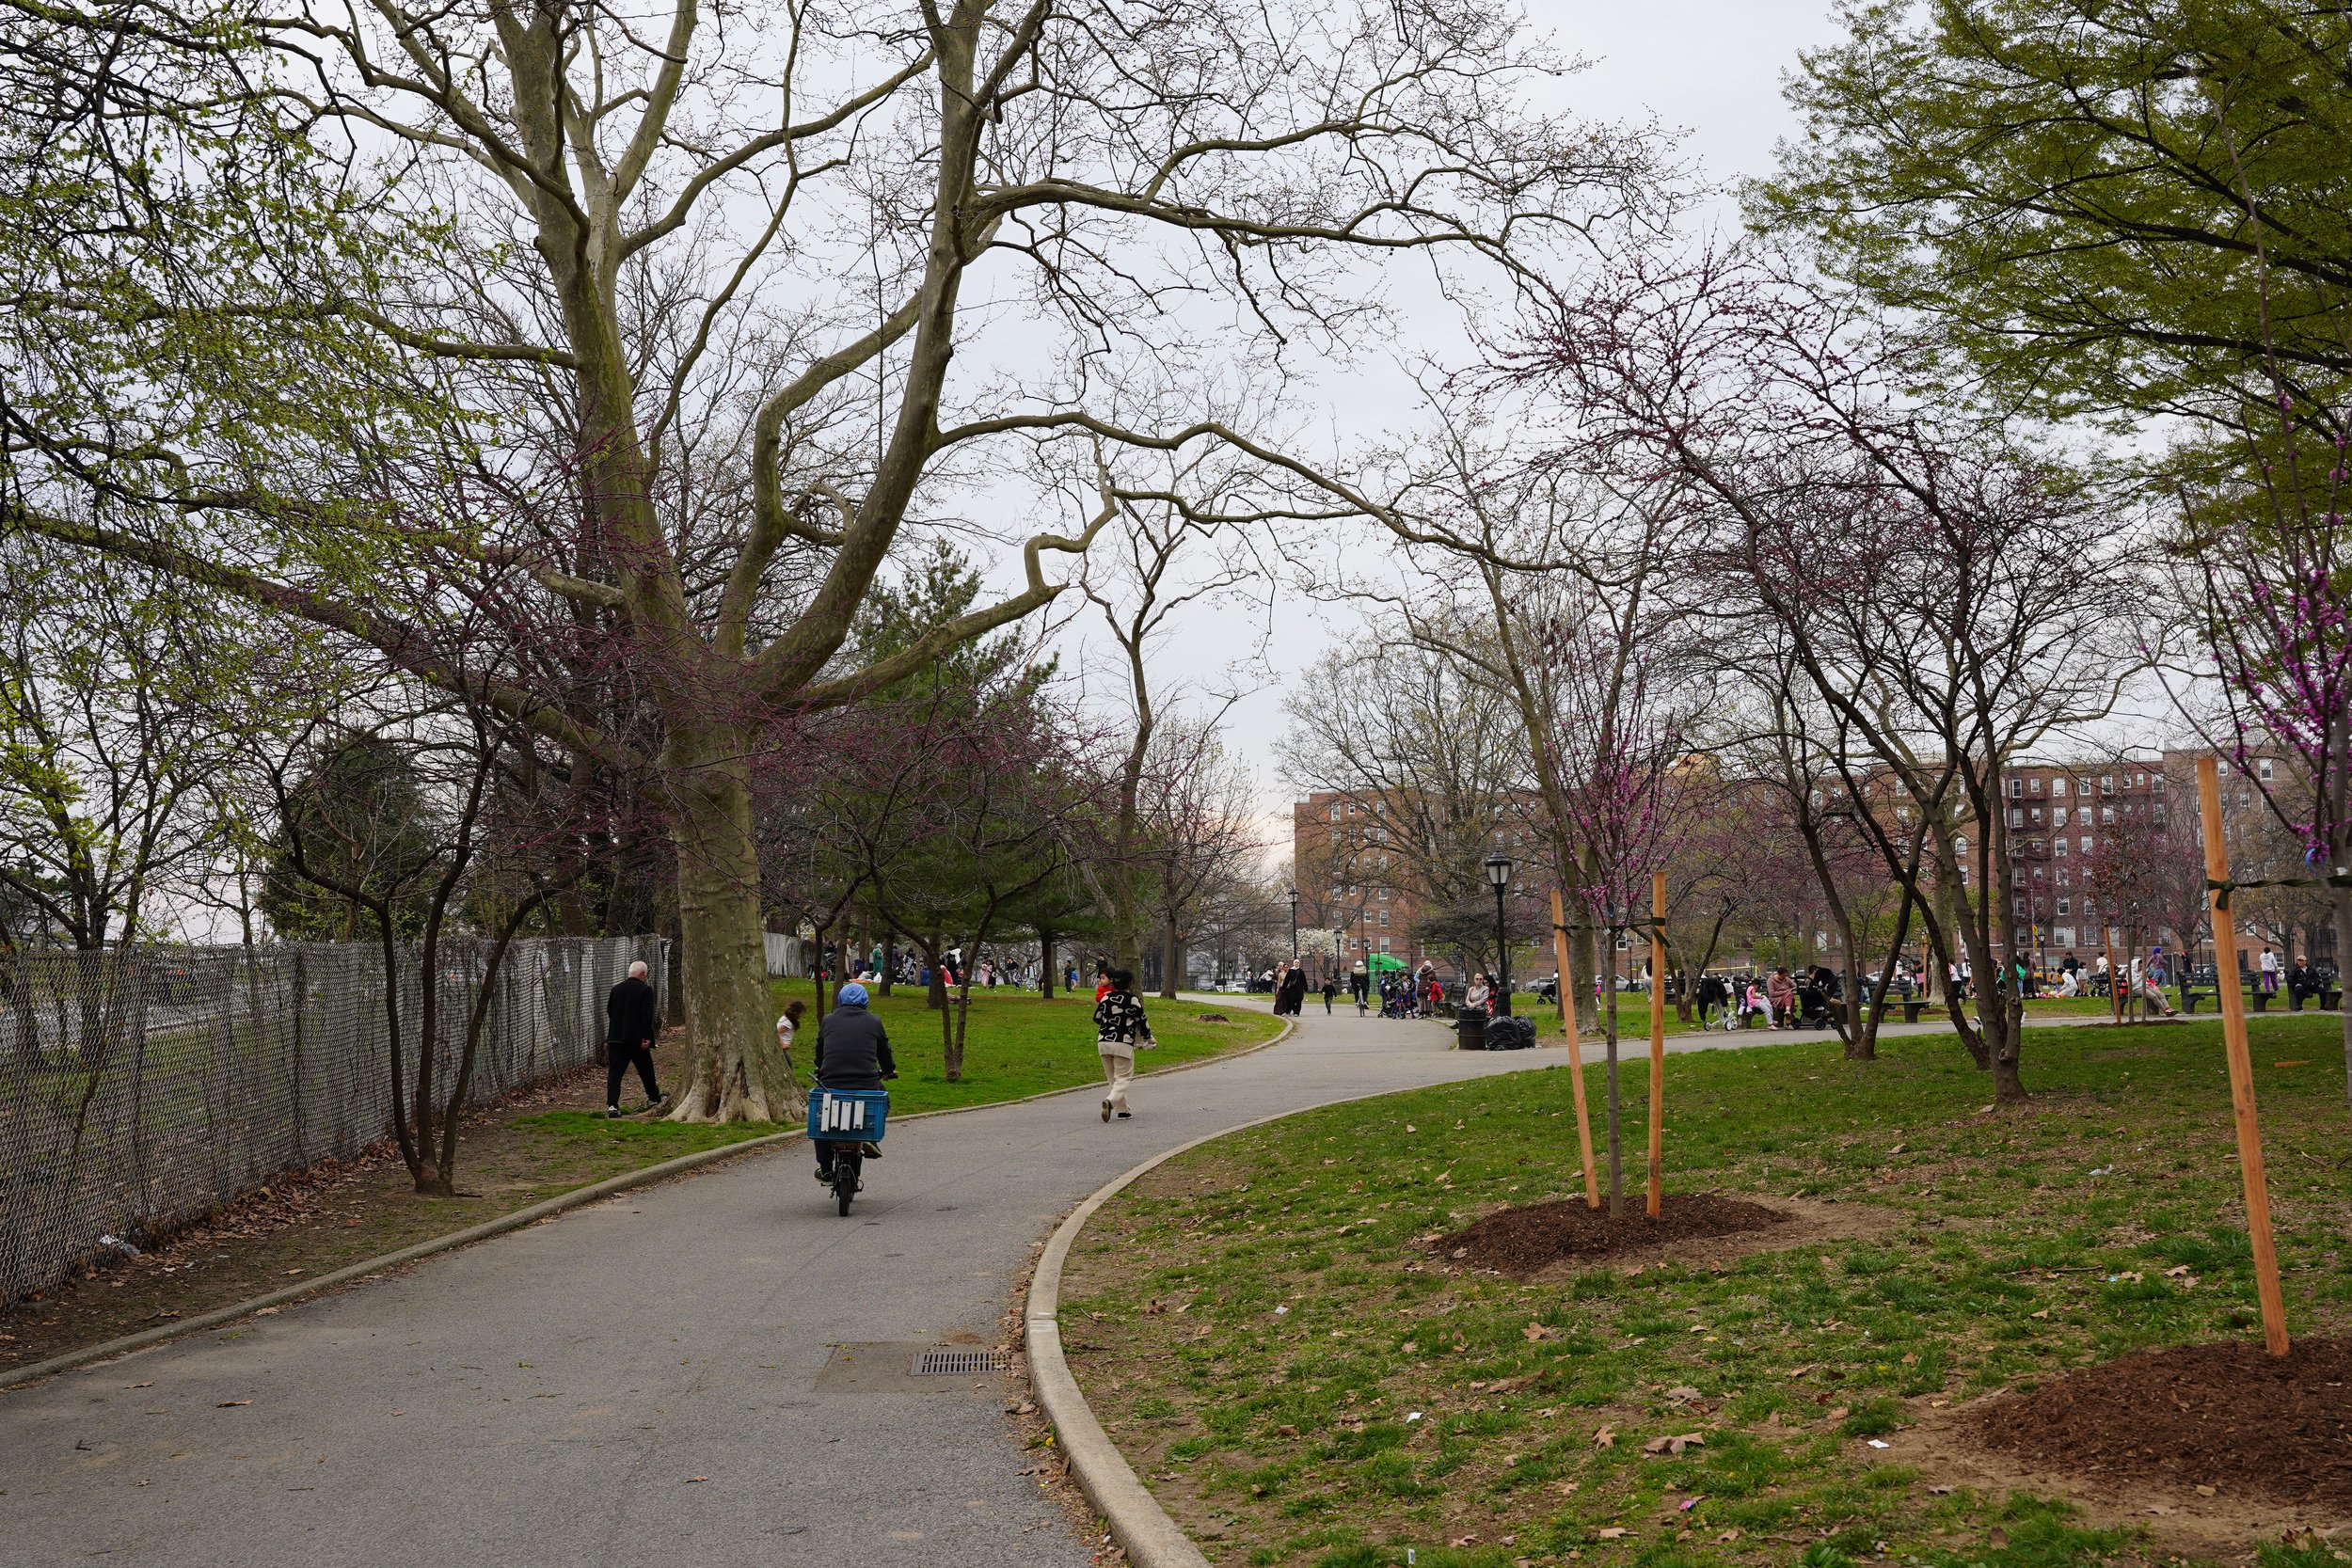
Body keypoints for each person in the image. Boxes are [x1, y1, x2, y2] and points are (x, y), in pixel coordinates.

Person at [811, 982, 896, 1183]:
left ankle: (825, 1168)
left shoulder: (828, 1021)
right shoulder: (874, 1022)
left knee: (821, 1117)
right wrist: (888, 1070)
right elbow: (884, 1051)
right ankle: (868, 1137)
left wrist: (820, 1065)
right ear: (865, 1001)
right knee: (883, 1102)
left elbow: (820, 1050)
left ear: (840, 1000)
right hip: (866, 1084)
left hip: (831, 1084)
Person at [604, 959, 667, 1117]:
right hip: (636, 1039)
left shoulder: (616, 989)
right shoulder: (645, 990)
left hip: (616, 1038)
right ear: (642, 974)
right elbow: (646, 1016)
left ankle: (612, 1105)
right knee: (646, 1069)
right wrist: (647, 1037)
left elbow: (610, 1010)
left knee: (615, 1072)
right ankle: (654, 1097)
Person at [1093, 967, 1154, 1119]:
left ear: (1113, 982)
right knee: (1123, 1078)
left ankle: (1122, 1111)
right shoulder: (1132, 1000)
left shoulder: (1106, 998)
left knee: (1113, 1079)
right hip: (1123, 1042)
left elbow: (1097, 1017)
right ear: (1130, 983)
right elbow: (1142, 1021)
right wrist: (1148, 1038)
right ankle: (1110, 1101)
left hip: (1103, 1042)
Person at [775, 998, 806, 1073]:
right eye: (801, 1013)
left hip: (780, 1047)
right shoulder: (788, 1023)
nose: (802, 1015)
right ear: (796, 1013)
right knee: (790, 1067)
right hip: (782, 1048)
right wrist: (783, 1044)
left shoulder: (784, 1018)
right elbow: (776, 1033)